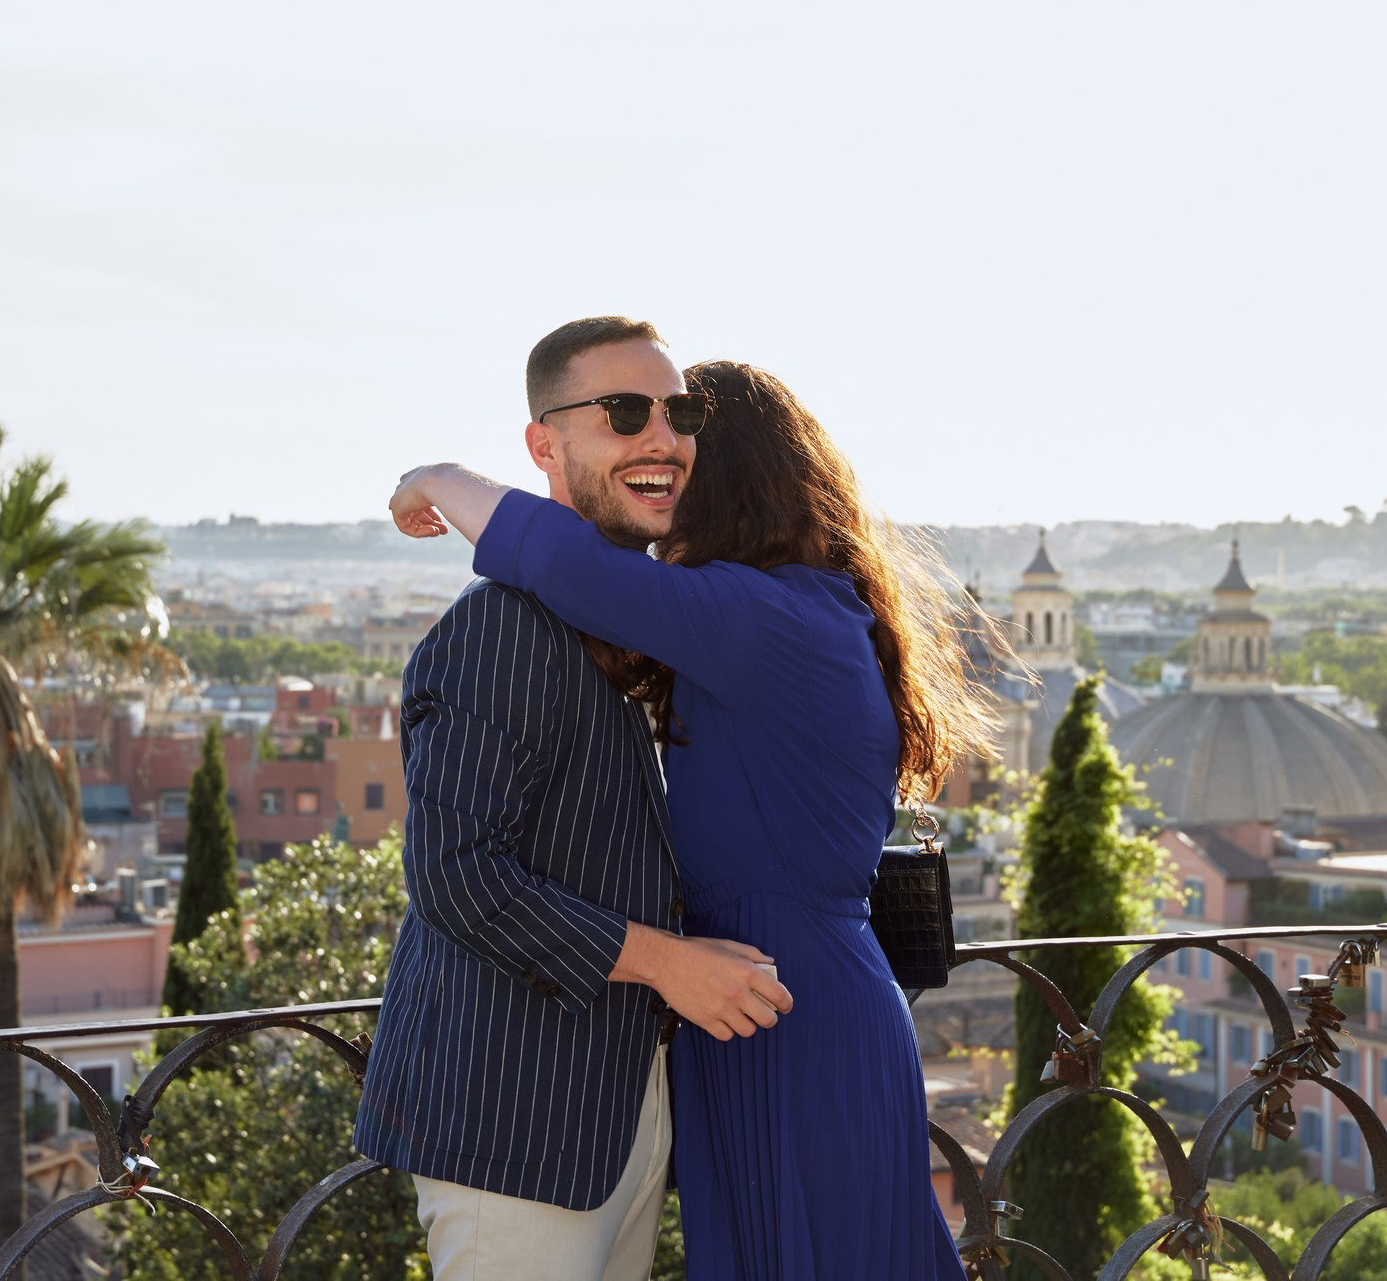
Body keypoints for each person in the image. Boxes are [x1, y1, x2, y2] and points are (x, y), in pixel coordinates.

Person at [389, 359, 998, 1280]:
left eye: (681, 432)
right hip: (764, 999)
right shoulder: (800, 606)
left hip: (775, 1007)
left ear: (722, 472)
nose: (660, 453)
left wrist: (438, 479)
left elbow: (561, 560)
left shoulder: (760, 616)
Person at [355, 318, 794, 1281]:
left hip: (618, 1112)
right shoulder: (503, 632)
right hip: (515, 1127)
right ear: (544, 445)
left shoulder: (630, 621)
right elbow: (457, 877)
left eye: (679, 413)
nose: (662, 438)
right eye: (624, 412)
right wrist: (668, 963)